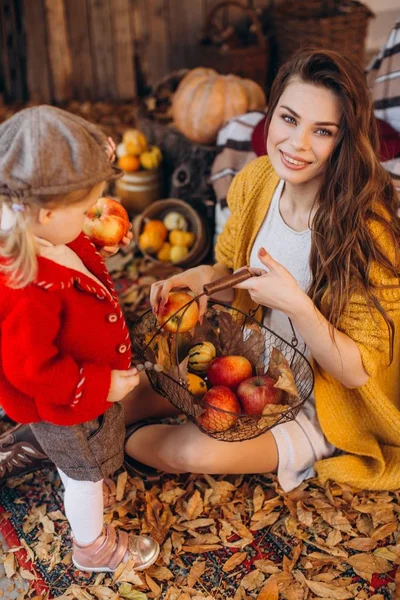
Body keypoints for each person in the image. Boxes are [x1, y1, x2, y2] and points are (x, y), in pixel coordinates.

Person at [2, 49, 400, 493]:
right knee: (123, 396)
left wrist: (297, 306)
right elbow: (229, 270)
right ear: (270, 117)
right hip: (252, 366)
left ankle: (92, 450)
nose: (297, 144)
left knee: (179, 452)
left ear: (344, 138)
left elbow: (357, 372)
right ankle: (53, 443)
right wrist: (196, 283)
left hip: (322, 407)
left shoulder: (368, 231)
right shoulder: (259, 180)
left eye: (322, 131)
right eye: (288, 120)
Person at [0, 106, 159, 573]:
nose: (93, 215)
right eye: (84, 209)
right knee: (83, 475)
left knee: (82, 455)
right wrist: (99, 387)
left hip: (73, 391)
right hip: (66, 403)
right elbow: (31, 368)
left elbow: (66, 248)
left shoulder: (40, 233)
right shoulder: (28, 288)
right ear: (47, 212)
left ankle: (37, 450)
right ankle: (92, 547)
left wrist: (92, 247)